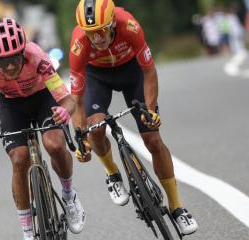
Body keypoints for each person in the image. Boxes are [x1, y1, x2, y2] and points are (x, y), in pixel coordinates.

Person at [69, 0, 198, 235]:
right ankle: (112, 172)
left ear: (111, 24)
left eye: (101, 31)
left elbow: (149, 71)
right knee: (95, 129)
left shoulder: (128, 25)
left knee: (153, 140)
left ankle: (177, 207)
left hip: (131, 71)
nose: (96, 38)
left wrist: (150, 110)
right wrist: (81, 138)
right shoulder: (79, 43)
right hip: (97, 77)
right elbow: (76, 101)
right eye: (91, 33)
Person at [0, 18, 85, 240]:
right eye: (4, 62)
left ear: (23, 52)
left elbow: (67, 100)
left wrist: (65, 112)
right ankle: (27, 230)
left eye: (15, 58)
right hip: (10, 105)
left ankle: (69, 195)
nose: (11, 66)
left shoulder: (36, 56)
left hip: (43, 98)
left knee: (53, 145)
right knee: (19, 158)